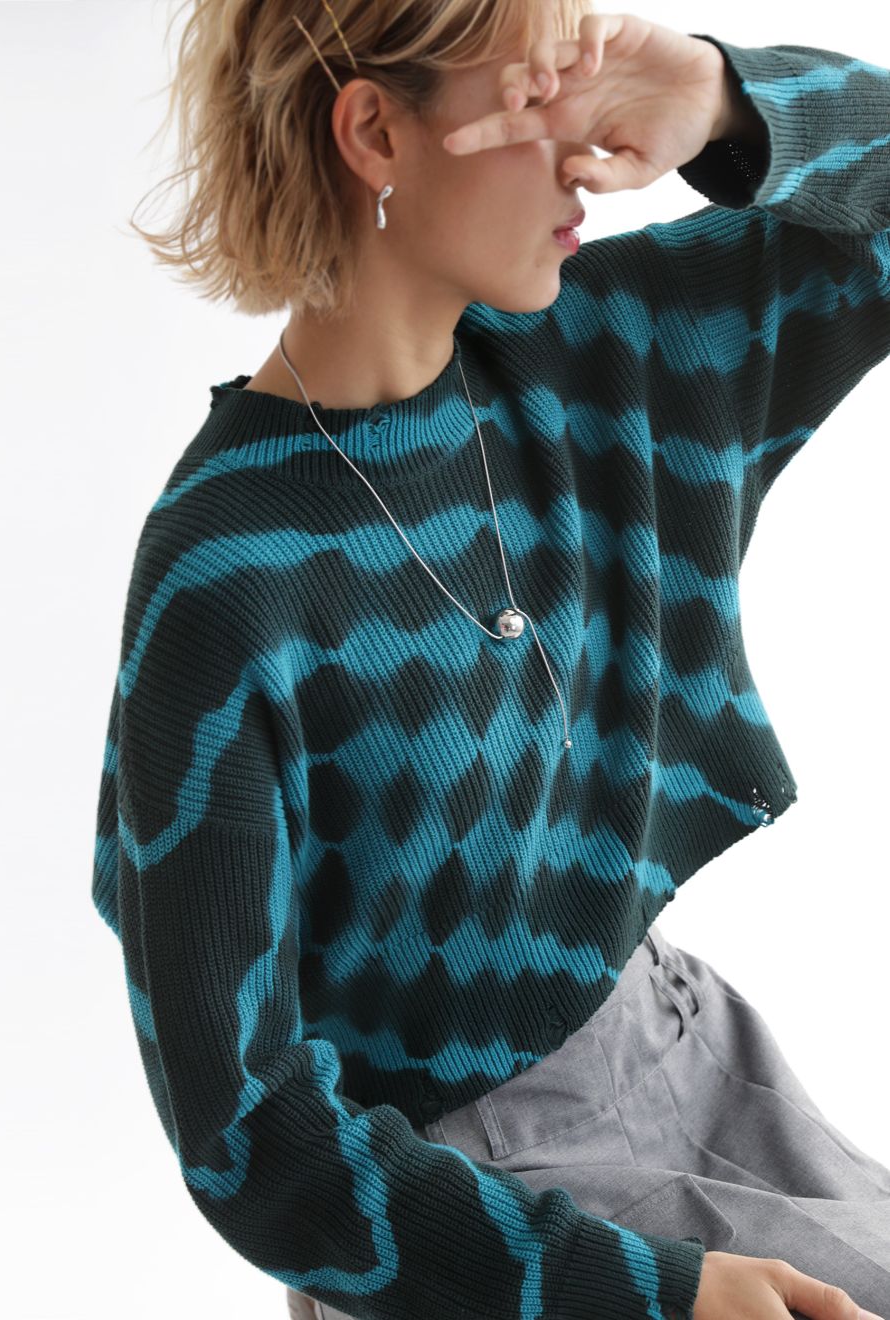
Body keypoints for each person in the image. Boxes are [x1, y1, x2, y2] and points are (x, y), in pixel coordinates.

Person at [91, 1, 890, 1317]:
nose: (587, 150)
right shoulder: (224, 578)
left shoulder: (609, 354)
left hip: (693, 1059)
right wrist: (652, 1297)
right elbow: (249, 1138)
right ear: (373, 131)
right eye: (535, 96)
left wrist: (716, 97)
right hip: (465, 1230)